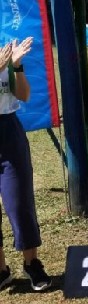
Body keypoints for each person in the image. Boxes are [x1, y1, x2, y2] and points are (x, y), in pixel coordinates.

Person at [0, 37, 51, 291]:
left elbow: (24, 95)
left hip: (8, 131)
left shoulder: (4, 53)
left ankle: (32, 263)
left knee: (19, 202)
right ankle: (1, 271)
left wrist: (16, 66)